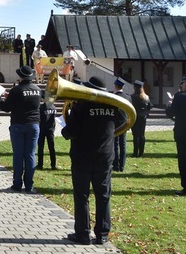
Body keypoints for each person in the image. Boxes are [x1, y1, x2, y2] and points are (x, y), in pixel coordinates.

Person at [61, 76, 116, 246]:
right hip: (104, 156)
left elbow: (69, 132)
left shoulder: (81, 107)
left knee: (81, 195)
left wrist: (68, 120)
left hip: (82, 156)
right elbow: (121, 123)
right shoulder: (114, 105)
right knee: (103, 194)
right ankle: (102, 235)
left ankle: (83, 234)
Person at [0, 65, 41, 193]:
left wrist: (0, 99)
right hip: (34, 125)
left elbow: (7, 107)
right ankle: (29, 185)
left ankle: (17, 184)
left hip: (18, 124)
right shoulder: (37, 89)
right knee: (30, 154)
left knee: (18, 155)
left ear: (21, 77)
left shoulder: (16, 90)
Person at [112, 78, 132, 172]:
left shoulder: (113, 96)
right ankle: (122, 165)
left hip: (115, 122)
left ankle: (116, 165)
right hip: (124, 122)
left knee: (115, 143)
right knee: (123, 143)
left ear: (116, 86)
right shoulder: (128, 97)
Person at [131, 80, 152, 158]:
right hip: (143, 117)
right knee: (142, 135)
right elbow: (150, 107)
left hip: (135, 117)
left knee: (135, 135)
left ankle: (135, 152)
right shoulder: (146, 97)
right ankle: (141, 152)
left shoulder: (132, 97)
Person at [37, 93, 57, 170]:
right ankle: (53, 164)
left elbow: (39, 119)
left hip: (42, 129)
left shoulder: (41, 108)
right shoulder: (53, 107)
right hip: (50, 130)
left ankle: (40, 164)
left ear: (43, 99)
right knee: (51, 147)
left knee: (40, 147)